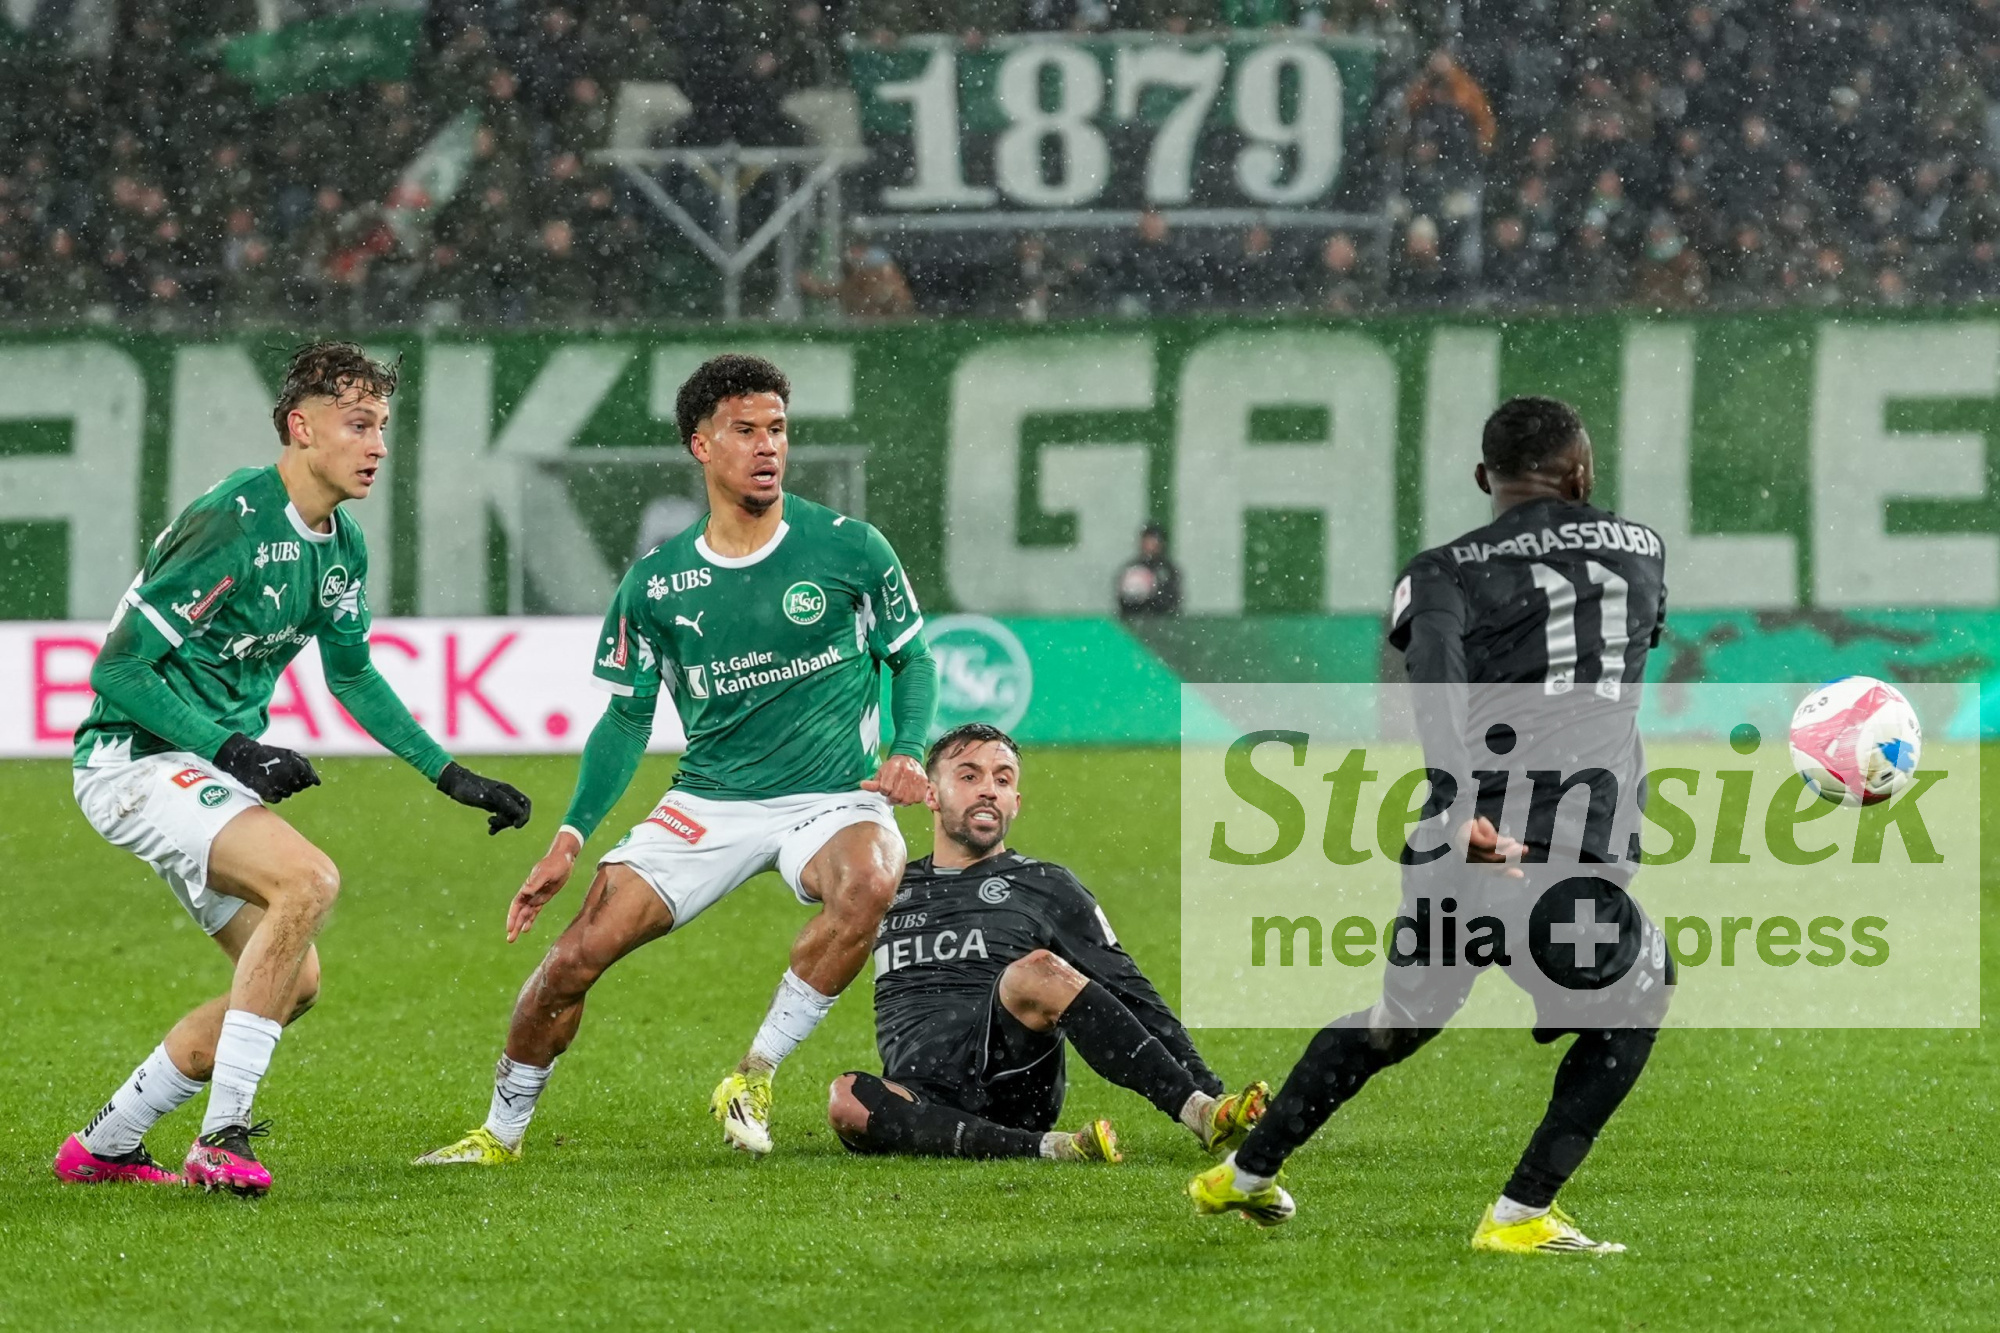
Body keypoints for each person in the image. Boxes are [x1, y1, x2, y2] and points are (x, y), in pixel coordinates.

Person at [417, 354, 938, 1165]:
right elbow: (627, 719)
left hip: (834, 794)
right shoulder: (657, 584)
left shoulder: (851, 549)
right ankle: (500, 1133)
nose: (768, 446)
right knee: (573, 960)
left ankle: (754, 1073)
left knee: (871, 879)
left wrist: (906, 750)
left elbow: (913, 657)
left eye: (778, 429)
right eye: (745, 430)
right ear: (701, 445)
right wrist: (570, 836)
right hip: (711, 801)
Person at [1189, 396, 1673, 1254]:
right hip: (1553, 857)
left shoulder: (1441, 569)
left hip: (1453, 850)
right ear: (1582, 471)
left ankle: (1246, 1172)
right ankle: (1520, 1214)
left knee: (1397, 1020)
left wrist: (1460, 804)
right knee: (1645, 987)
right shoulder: (1641, 550)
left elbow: (1436, 674)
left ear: (1485, 477)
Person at [54, 343, 532, 1197]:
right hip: (133, 759)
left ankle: (108, 1142)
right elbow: (118, 669)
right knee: (307, 879)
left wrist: (450, 774)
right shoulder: (234, 519)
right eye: (358, 424)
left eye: (383, 426)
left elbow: (352, 675)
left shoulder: (341, 547)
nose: (378, 445)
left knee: (291, 982)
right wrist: (234, 749)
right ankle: (221, 1137)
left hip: (200, 767)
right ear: (301, 427)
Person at [828, 724, 1267, 1162]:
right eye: (969, 776)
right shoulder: (887, 886)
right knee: (846, 1098)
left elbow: (1130, 990)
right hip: (918, 1093)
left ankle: (1197, 1112)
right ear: (931, 794)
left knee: (1036, 971)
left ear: (1015, 803)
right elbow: (817, 950)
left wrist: (1209, 1094)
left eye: (1003, 780)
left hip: (1013, 1085)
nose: (989, 790)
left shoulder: (1046, 885)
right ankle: (1052, 1148)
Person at [1115, 524, 1182, 618]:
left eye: (1153, 541)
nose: (1149, 545)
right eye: (1146, 541)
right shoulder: (1132, 568)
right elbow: (1122, 600)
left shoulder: (1167, 569)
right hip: (1134, 619)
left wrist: (1152, 594)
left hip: (1160, 620)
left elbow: (1171, 600)